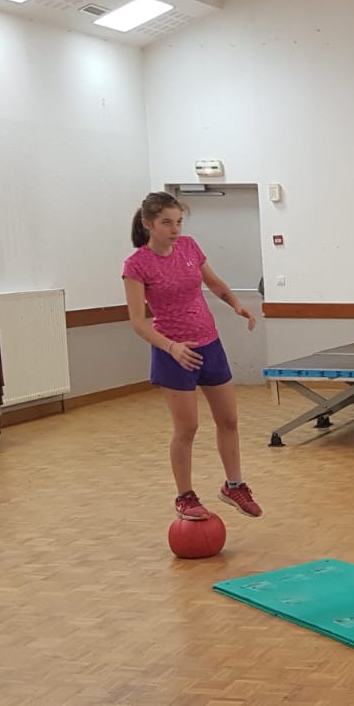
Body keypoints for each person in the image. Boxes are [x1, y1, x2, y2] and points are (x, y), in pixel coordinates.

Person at [123, 191, 263, 521]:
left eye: (179, 222)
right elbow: (138, 322)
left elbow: (213, 282)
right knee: (187, 428)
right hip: (174, 354)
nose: (175, 229)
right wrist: (172, 347)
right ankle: (185, 497)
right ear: (148, 224)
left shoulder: (188, 247)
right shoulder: (136, 265)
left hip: (209, 345)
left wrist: (236, 304)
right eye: (166, 223)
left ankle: (234, 486)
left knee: (228, 420)